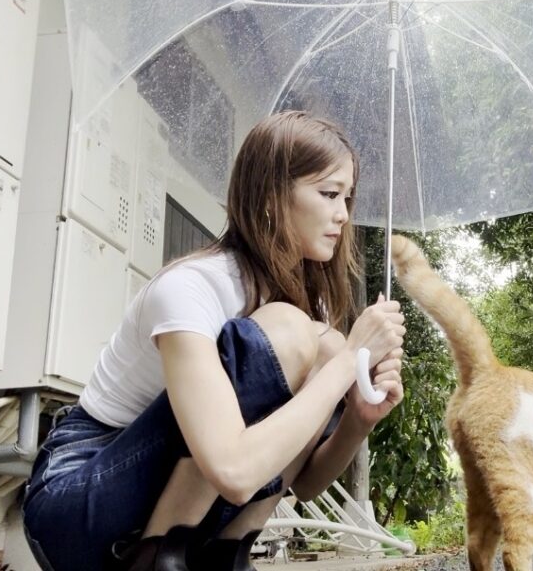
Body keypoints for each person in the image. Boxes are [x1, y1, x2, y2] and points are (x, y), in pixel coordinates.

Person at [22, 111, 406, 571]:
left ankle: (228, 555)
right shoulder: (191, 288)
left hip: (173, 503)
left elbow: (302, 485)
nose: (342, 215)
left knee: (320, 340)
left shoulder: (309, 316)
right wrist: (347, 361)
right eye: (327, 194)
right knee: (303, 335)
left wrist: (358, 422)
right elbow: (235, 472)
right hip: (78, 499)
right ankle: (159, 558)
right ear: (269, 196)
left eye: (347, 197)